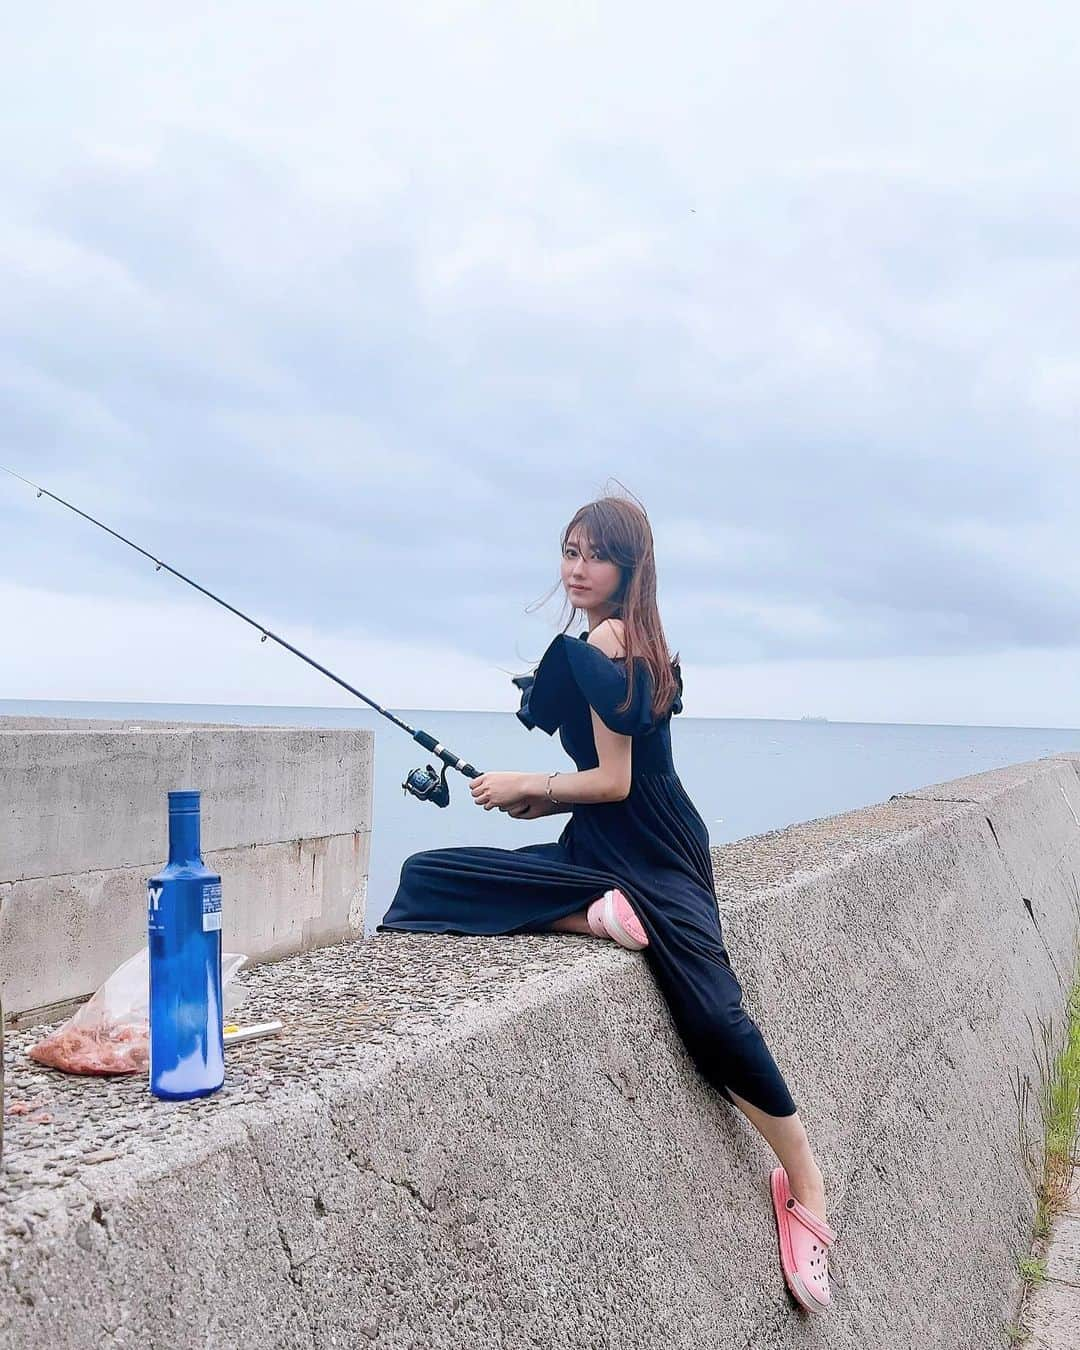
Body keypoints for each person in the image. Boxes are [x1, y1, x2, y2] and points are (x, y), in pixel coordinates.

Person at [377, 493, 838, 1314]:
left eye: (594, 555)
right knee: (432, 877)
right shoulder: (642, 640)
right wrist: (543, 804)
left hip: (646, 850)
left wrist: (531, 783)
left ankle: (805, 1185)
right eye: (568, 550)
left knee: (713, 1013)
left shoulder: (608, 642)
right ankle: (590, 913)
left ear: (629, 568)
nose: (576, 568)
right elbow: (607, 786)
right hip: (616, 846)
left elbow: (618, 781)